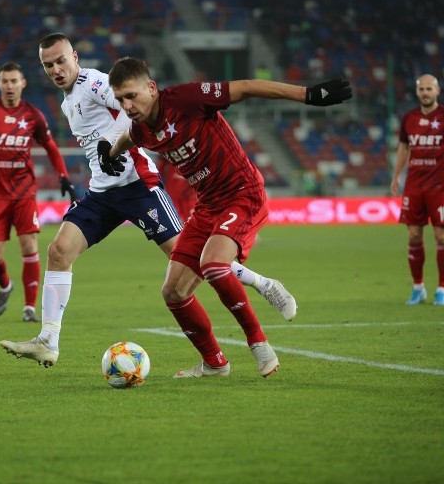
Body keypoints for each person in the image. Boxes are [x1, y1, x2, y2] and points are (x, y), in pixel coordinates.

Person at [0, 34, 297, 376]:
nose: (56, 69)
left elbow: (134, 111)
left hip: (140, 187)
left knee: (190, 261)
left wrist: (112, 143)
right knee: (59, 251)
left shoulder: (94, 82)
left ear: (74, 57)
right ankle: (48, 341)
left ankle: (262, 284)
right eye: (48, 65)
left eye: (60, 61)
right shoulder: (68, 102)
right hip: (102, 193)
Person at [99, 57, 352, 378]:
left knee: (214, 265)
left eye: (131, 96)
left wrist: (309, 95)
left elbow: (247, 87)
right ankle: (215, 364)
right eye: (120, 99)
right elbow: (129, 139)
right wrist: (110, 154)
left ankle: (259, 343)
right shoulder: (141, 128)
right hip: (207, 207)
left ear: (151, 87)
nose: (127, 105)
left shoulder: (186, 98)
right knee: (173, 292)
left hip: (242, 193)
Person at [0, 62, 77, 322]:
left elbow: (51, 147)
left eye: (13, 81)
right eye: (5, 81)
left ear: (22, 83)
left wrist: (64, 176)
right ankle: (6, 286)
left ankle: (29, 308)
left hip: (24, 192)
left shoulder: (33, 115)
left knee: (29, 245)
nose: (9, 86)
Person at [390, 74, 444, 306]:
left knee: (441, 236)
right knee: (414, 235)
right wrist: (396, 176)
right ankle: (418, 288)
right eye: (421, 89)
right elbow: (403, 148)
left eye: (429, 89)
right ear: (417, 92)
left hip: (440, 187)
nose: (425, 93)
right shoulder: (409, 118)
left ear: (437, 91)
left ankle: (442, 290)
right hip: (414, 187)